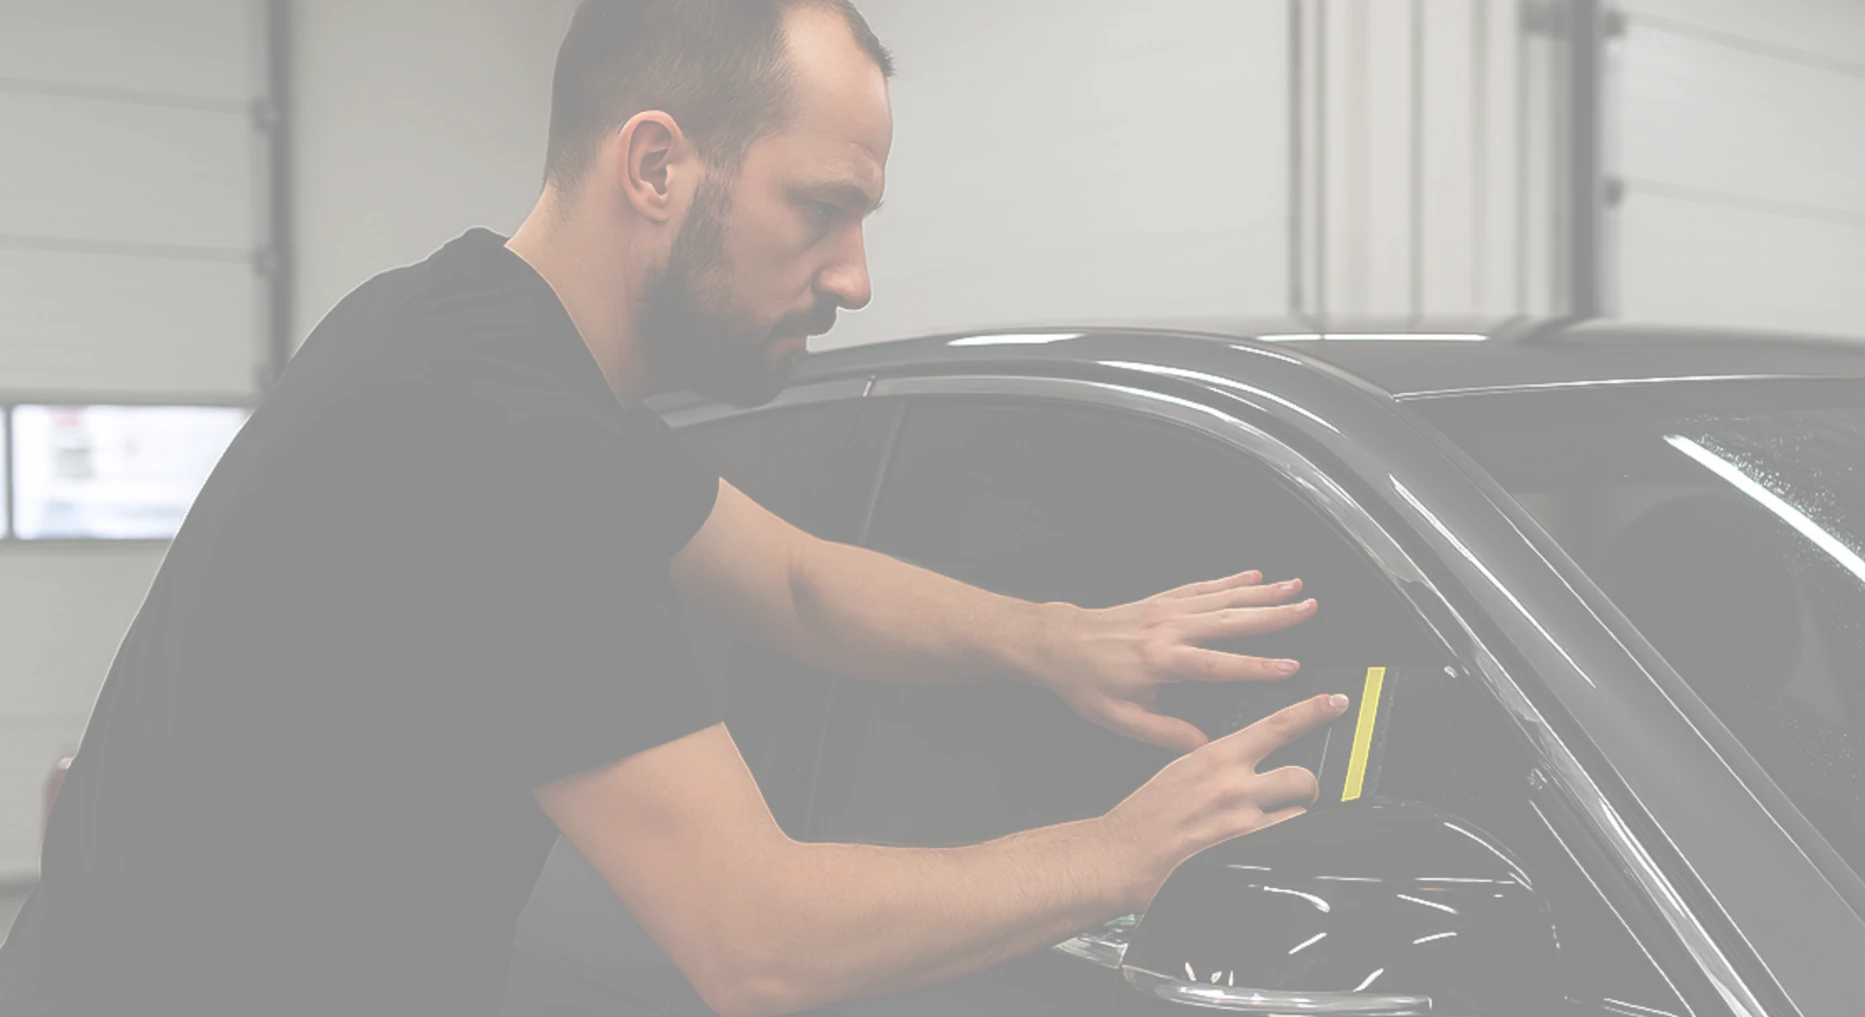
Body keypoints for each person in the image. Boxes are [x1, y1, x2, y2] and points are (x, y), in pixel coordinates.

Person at [0, 2, 1345, 1015]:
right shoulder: (498, 439)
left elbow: (801, 581)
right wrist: (1120, 857)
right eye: (822, 208)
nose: (857, 277)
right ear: (654, 167)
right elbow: (757, 940)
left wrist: (1055, 639)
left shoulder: (474, 335)